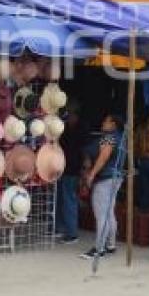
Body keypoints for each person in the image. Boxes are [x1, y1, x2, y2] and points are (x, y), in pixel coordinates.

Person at [80, 113, 126, 260]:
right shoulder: (120, 138)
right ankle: (111, 244)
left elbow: (103, 157)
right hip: (116, 178)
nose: (103, 122)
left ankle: (99, 248)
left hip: (105, 178)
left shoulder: (109, 137)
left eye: (106, 121)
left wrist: (92, 174)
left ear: (113, 124)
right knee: (109, 212)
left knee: (101, 214)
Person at [57, 101, 86, 244]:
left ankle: (72, 233)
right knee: (63, 199)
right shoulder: (67, 128)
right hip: (63, 167)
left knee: (69, 200)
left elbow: (79, 152)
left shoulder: (79, 130)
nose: (67, 116)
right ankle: (62, 228)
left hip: (72, 169)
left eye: (69, 114)